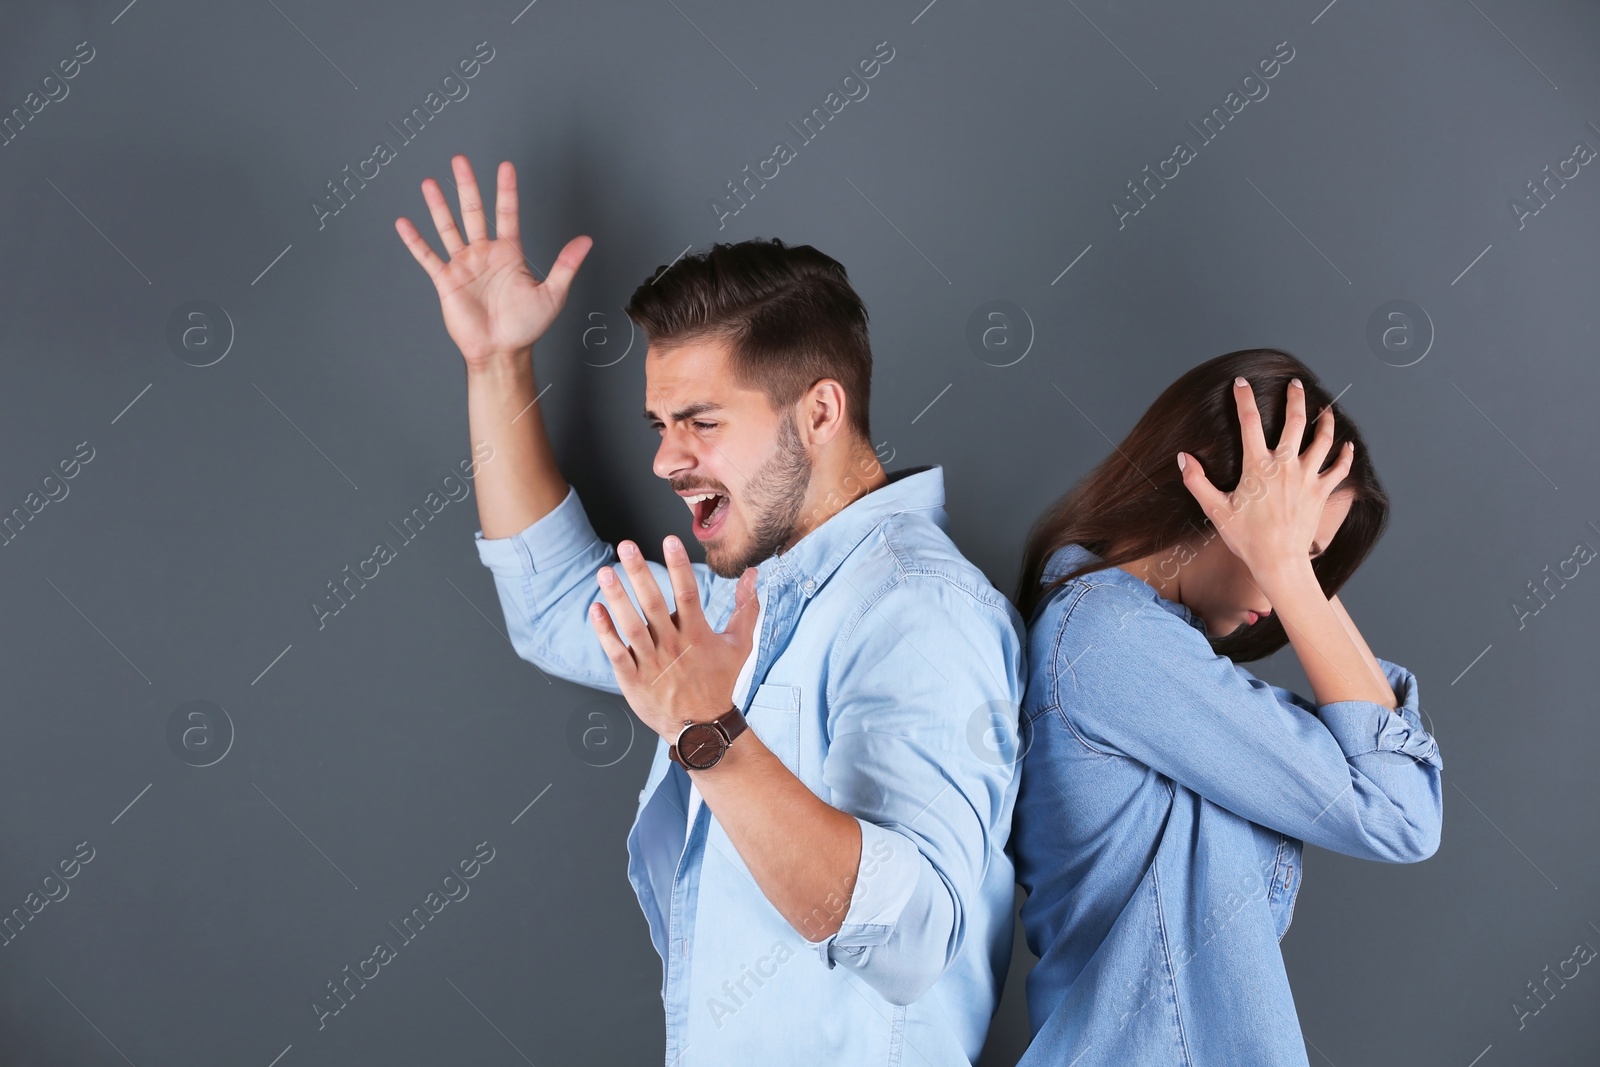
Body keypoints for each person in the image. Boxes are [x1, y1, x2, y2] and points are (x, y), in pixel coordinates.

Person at [394, 154, 1025, 1066]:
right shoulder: (749, 588)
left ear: (819, 413)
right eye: (660, 427)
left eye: (701, 421)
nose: (665, 459)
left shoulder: (922, 610)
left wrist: (710, 731)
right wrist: (497, 362)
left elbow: (916, 938)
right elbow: (559, 604)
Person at [1008, 349, 1443, 1066]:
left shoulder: (1137, 644)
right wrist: (1281, 560)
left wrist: (1285, 558)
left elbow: (1384, 777)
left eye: (1305, 560)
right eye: (1292, 549)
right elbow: (1399, 809)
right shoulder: (1113, 643)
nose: (1280, 596)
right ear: (1209, 487)